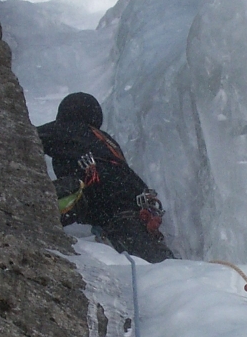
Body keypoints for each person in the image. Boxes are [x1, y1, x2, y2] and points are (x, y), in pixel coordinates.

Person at [37, 92, 174, 263]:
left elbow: (25, 135)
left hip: (105, 196)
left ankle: (31, 213)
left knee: (62, 191)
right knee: (148, 251)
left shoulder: (69, 128)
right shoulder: (106, 141)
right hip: (131, 200)